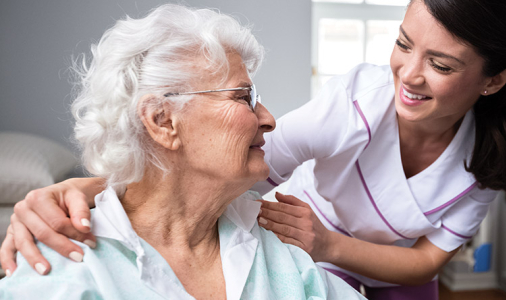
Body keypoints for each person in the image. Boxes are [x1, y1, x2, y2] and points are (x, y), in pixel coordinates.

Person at [2, 0, 506, 299]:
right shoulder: (360, 102)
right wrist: (81, 187)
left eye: (441, 65)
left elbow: (423, 262)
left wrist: (328, 246)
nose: (409, 76)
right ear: (160, 121)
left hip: (381, 271)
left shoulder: (487, 160)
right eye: (402, 44)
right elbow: (224, 167)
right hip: (308, 237)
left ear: (493, 80)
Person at [0, 4, 365, 300]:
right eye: (243, 97)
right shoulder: (64, 266)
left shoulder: (274, 250)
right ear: (162, 121)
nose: (269, 120)